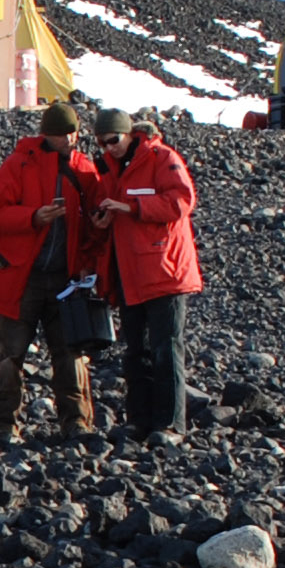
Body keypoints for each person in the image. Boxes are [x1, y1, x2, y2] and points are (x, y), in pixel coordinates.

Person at [0, 101, 108, 441]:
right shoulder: (19, 165)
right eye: (61, 134)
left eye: (72, 132)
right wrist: (33, 217)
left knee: (70, 352)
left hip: (65, 279)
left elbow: (92, 228)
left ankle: (76, 422)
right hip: (22, 277)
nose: (69, 139)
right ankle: (2, 424)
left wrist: (91, 254)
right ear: (47, 135)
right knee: (10, 352)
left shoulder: (86, 170)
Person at [87, 107, 202, 439]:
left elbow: (182, 200)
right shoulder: (110, 169)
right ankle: (140, 421)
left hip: (165, 272)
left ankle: (171, 424)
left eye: (113, 140)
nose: (109, 148)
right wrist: (104, 219)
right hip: (130, 273)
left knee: (167, 348)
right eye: (102, 143)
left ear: (128, 134)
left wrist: (132, 208)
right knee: (136, 350)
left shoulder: (161, 157)